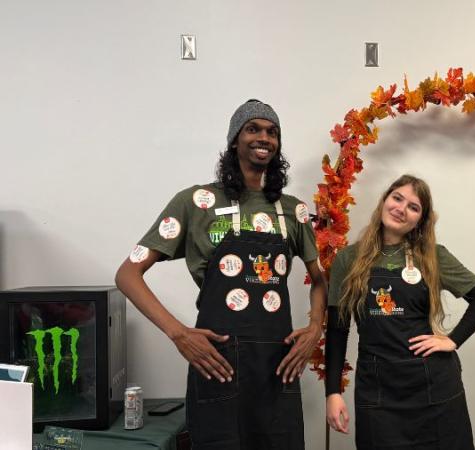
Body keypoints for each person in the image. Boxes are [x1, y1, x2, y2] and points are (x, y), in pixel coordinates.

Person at [115, 99, 326, 449]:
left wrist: (315, 328)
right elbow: (127, 274)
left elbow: (319, 279)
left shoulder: (294, 211)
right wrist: (179, 334)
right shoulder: (195, 202)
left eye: (272, 132)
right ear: (234, 140)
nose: (264, 138)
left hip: (277, 366)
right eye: (253, 129)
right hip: (217, 363)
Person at [324, 174, 475, 449]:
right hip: (378, 392)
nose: (401, 209)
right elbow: (337, 329)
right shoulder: (348, 259)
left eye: (413, 207)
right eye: (397, 198)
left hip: (434, 388)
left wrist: (451, 340)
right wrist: (332, 392)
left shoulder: (433, 256)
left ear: (420, 220)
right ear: (384, 200)